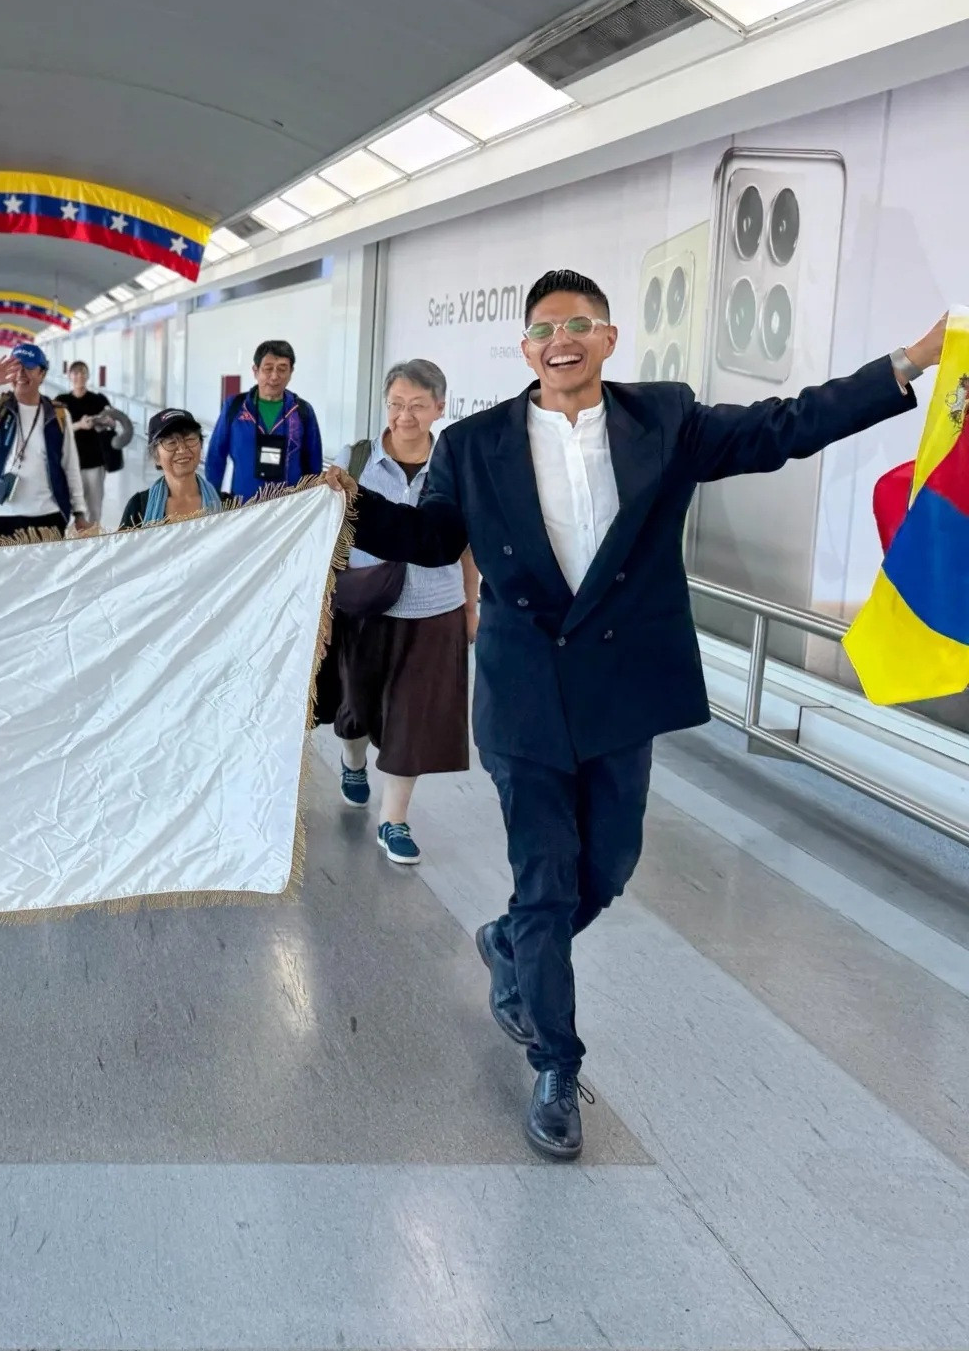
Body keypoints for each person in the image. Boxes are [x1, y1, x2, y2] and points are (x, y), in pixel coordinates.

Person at [330, 267, 945, 1163]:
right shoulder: (474, 444)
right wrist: (353, 507)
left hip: (623, 688)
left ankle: (509, 942)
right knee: (545, 876)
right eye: (543, 328)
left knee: (607, 867)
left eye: (579, 323)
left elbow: (788, 426)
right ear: (526, 349)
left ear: (609, 339)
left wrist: (912, 362)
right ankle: (555, 1061)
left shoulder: (668, 419)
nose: (561, 339)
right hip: (526, 689)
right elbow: (432, 539)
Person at [318, 360, 478, 868]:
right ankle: (352, 760)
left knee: (414, 716)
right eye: (395, 404)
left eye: (416, 405)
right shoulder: (357, 459)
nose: (404, 416)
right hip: (365, 604)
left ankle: (395, 820)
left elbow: (465, 545)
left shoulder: (455, 466)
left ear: (439, 406)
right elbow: (324, 530)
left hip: (435, 608)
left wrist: (471, 607)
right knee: (356, 708)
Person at [0, 342, 91, 538]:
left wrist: (79, 512)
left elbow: (70, 466)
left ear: (42, 374)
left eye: (29, 367)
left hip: (49, 513)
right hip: (4, 512)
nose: (21, 374)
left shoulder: (58, 414)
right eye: (16, 368)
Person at [205, 339, 324, 498]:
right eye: (268, 369)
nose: (274, 376)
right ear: (255, 371)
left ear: (291, 372)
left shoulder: (302, 411)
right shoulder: (235, 407)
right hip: (242, 507)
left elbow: (313, 464)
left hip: (289, 510)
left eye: (282, 369)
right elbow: (216, 456)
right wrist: (213, 499)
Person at [119, 409, 228, 526]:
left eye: (190, 439)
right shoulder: (139, 508)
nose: (182, 449)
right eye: (171, 443)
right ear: (156, 456)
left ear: (200, 446)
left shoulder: (228, 504)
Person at [61, 361, 120, 527]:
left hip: (95, 460)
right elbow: (57, 430)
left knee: (94, 506)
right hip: (69, 462)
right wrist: (79, 425)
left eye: (83, 373)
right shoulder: (62, 401)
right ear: (69, 376)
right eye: (76, 373)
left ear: (87, 376)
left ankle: (91, 537)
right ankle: (71, 536)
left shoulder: (99, 400)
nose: (79, 376)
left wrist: (109, 422)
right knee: (70, 504)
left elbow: (114, 423)